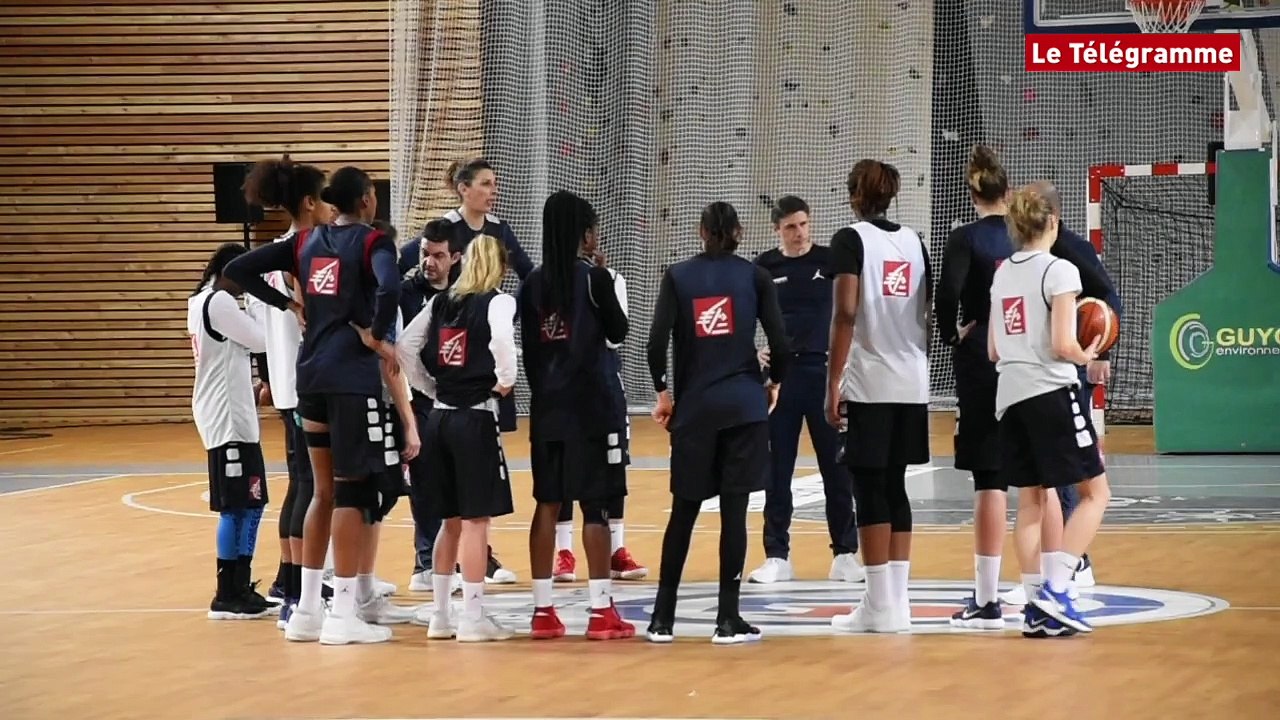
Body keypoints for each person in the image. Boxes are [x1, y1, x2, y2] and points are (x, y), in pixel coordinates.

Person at [224, 166, 406, 645]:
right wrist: (377, 335)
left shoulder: (305, 243)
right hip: (350, 377)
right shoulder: (372, 243)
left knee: (321, 490)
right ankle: (343, 615)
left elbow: (237, 269)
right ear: (367, 200)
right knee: (350, 491)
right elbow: (389, 287)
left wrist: (289, 305)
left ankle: (306, 611)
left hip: (311, 376)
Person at [645, 201, 790, 645]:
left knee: (683, 513)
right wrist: (774, 383)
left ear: (701, 230)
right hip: (744, 407)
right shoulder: (755, 276)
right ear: (740, 232)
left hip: (695, 411)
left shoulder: (677, 276)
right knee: (733, 513)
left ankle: (662, 619)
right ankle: (727, 618)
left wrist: (663, 392)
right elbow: (780, 342)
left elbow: (655, 343)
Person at [988, 181, 1111, 635]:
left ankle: (1036, 602)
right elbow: (1063, 343)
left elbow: (995, 351)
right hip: (1051, 393)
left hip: (1010, 397)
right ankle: (1059, 589)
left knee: (1031, 503)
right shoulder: (1060, 271)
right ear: (1053, 222)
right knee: (1096, 495)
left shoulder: (1002, 273)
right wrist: (1089, 353)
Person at [399, 158, 530, 584]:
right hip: (460, 397)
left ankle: (451, 592)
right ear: (462, 188)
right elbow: (505, 349)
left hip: (448, 395)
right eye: (486, 183)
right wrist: (504, 380)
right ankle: (448, 584)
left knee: (456, 510)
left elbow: (531, 278)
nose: (493, 190)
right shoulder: (452, 281)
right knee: (465, 510)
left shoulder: (498, 236)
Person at [520, 190, 634, 641]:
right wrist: (601, 272)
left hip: (548, 409)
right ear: (585, 234)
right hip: (593, 409)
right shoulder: (594, 279)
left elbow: (530, 353)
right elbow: (618, 332)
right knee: (595, 508)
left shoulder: (530, 284)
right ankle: (600, 610)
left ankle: (543, 611)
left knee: (547, 503)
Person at [825, 159, 932, 634]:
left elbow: (845, 314)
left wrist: (833, 380)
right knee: (895, 485)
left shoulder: (850, 240)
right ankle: (898, 603)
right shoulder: (914, 241)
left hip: (870, 379)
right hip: (912, 378)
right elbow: (924, 312)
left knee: (868, 487)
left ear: (854, 196)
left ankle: (877, 605)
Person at [397, 234, 518, 643]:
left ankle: (441, 616)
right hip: (474, 418)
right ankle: (472, 618)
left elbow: (404, 348)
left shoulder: (440, 301)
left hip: (439, 420)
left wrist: (429, 388)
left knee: (448, 522)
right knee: (476, 522)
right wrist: (505, 381)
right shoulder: (498, 300)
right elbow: (502, 340)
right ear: (498, 266)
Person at [748, 195, 862, 585]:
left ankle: (845, 553)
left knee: (836, 468)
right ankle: (777, 555)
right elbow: (746, 316)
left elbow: (852, 312)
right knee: (777, 470)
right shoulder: (764, 267)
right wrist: (755, 354)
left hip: (823, 373)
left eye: (804, 225)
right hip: (781, 378)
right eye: (790, 227)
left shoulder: (829, 261)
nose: (799, 234)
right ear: (777, 229)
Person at [240, 156, 332, 626]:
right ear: (311, 201)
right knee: (311, 489)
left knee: (302, 485)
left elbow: (256, 316)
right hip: (307, 381)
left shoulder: (275, 250)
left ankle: (288, 579)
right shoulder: (306, 250)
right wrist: (296, 304)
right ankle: (299, 589)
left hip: (285, 380)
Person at [935, 145, 1016, 630]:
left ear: (972, 195)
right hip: (1033, 360)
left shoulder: (965, 237)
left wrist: (951, 333)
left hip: (984, 361)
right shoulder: (1029, 235)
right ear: (1008, 193)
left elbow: (947, 292)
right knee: (1041, 478)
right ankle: (1056, 581)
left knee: (990, 480)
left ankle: (987, 599)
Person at [551, 221, 648, 584]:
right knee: (561, 472)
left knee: (612, 468)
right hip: (564, 391)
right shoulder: (550, 283)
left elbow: (614, 339)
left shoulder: (611, 279)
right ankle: (564, 551)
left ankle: (615, 550)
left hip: (604, 387)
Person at [188, 243, 273, 621]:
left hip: (232, 413)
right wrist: (260, 307)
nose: (248, 287)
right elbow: (260, 341)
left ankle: (240, 584)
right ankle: (227, 591)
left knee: (251, 503)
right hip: (227, 420)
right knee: (238, 506)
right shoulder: (219, 303)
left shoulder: (202, 302)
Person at [401, 219, 461, 595]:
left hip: (457, 401)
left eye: (438, 255)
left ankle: (463, 558)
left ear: (454, 257)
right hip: (419, 399)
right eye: (425, 253)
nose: (430, 262)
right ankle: (425, 560)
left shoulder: (464, 292)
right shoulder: (406, 294)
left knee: (458, 484)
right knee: (424, 483)